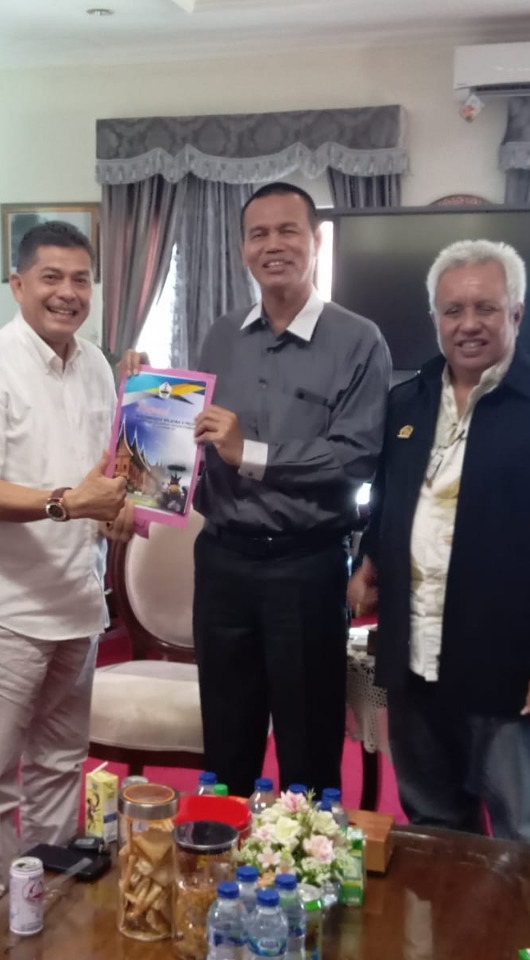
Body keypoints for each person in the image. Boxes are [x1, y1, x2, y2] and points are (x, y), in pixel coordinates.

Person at [349, 239, 530, 842]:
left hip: (508, 671)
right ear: (435, 319)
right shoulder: (407, 401)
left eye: (485, 308)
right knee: (433, 829)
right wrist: (369, 558)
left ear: (516, 313)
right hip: (414, 660)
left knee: (523, 838)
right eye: (453, 311)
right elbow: (390, 499)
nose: (468, 324)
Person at [0, 220, 131, 920]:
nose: (67, 292)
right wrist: (68, 502)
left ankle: (45, 902)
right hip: (7, 609)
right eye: (51, 277)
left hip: (78, 599)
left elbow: (106, 472)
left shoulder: (96, 365)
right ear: (18, 283)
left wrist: (121, 507)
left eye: (81, 279)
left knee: (60, 762)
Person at [192, 181, 392, 798]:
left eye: (288, 231)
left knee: (307, 743)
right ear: (242, 248)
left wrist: (249, 453)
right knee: (226, 738)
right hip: (222, 559)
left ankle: (306, 858)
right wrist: (147, 410)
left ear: (316, 241)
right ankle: (224, 853)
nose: (272, 245)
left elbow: (355, 457)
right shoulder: (221, 334)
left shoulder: (358, 340)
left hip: (304, 566)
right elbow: (194, 438)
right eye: (258, 234)